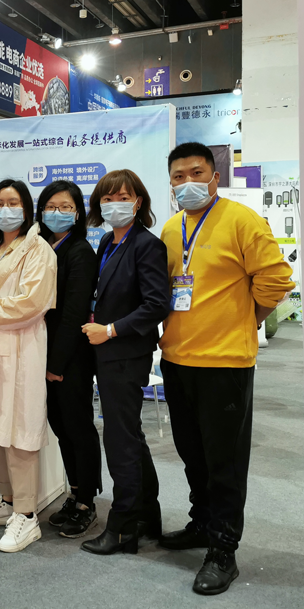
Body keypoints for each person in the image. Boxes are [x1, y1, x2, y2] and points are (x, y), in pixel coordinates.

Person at [159, 142, 295, 595]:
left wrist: (246, 320)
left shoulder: (242, 220)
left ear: (214, 176)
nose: (188, 183)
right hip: (178, 358)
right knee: (192, 453)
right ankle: (202, 523)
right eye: (178, 177)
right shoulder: (171, 228)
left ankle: (223, 550)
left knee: (225, 462)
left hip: (225, 363)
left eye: (196, 173)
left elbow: (276, 279)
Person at [80, 169, 169, 556]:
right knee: (129, 435)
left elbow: (156, 304)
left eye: (123, 197)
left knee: (119, 440)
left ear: (138, 202)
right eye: (107, 198)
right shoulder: (106, 241)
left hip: (126, 354)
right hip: (106, 354)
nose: (114, 204)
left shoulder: (147, 245)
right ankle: (147, 515)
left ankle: (122, 527)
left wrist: (111, 330)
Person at [0, 179, 57, 553]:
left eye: (13, 202)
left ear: (26, 208)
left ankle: (27, 514)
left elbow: (31, 303)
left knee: (21, 429)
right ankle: (8, 500)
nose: (5, 209)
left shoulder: (39, 249)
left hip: (22, 348)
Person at [36, 180, 102, 539]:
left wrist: (56, 365)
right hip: (43, 353)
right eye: (51, 206)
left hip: (69, 358)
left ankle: (87, 501)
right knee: (61, 427)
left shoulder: (79, 252)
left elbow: (74, 313)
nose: (56, 213)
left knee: (78, 428)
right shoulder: (41, 246)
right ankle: (74, 492)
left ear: (78, 214)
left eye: (65, 207)